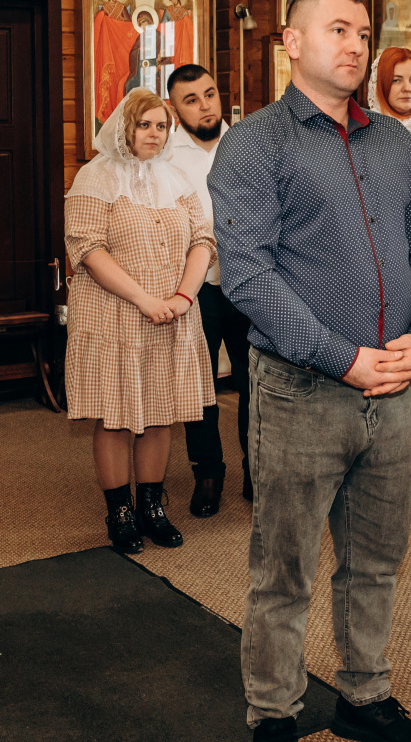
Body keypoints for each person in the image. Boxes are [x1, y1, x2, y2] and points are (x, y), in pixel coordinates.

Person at [210, 0, 411, 742]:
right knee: (282, 573)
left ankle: (364, 696)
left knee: (376, 564)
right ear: (291, 41)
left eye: (363, 32)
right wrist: (340, 357)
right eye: (337, 29)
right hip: (300, 389)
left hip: (395, 387)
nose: (354, 45)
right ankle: (273, 712)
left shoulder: (392, 141)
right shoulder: (255, 142)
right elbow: (246, 275)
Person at [63, 88, 216, 554]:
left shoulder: (177, 178)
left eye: (161, 125)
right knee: (116, 414)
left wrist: (184, 296)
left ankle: (152, 507)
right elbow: (87, 248)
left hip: (173, 312)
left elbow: (203, 239)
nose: (154, 134)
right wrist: (144, 300)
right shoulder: (96, 177)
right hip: (116, 312)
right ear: (124, 128)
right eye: (144, 124)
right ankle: (120, 513)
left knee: (161, 411)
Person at [163, 64, 254, 517]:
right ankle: (208, 474)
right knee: (199, 384)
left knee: (255, 379)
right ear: (174, 108)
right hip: (195, 286)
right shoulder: (166, 155)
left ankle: (257, 468)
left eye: (210, 95)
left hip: (252, 282)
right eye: (191, 100)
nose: (204, 106)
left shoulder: (250, 142)